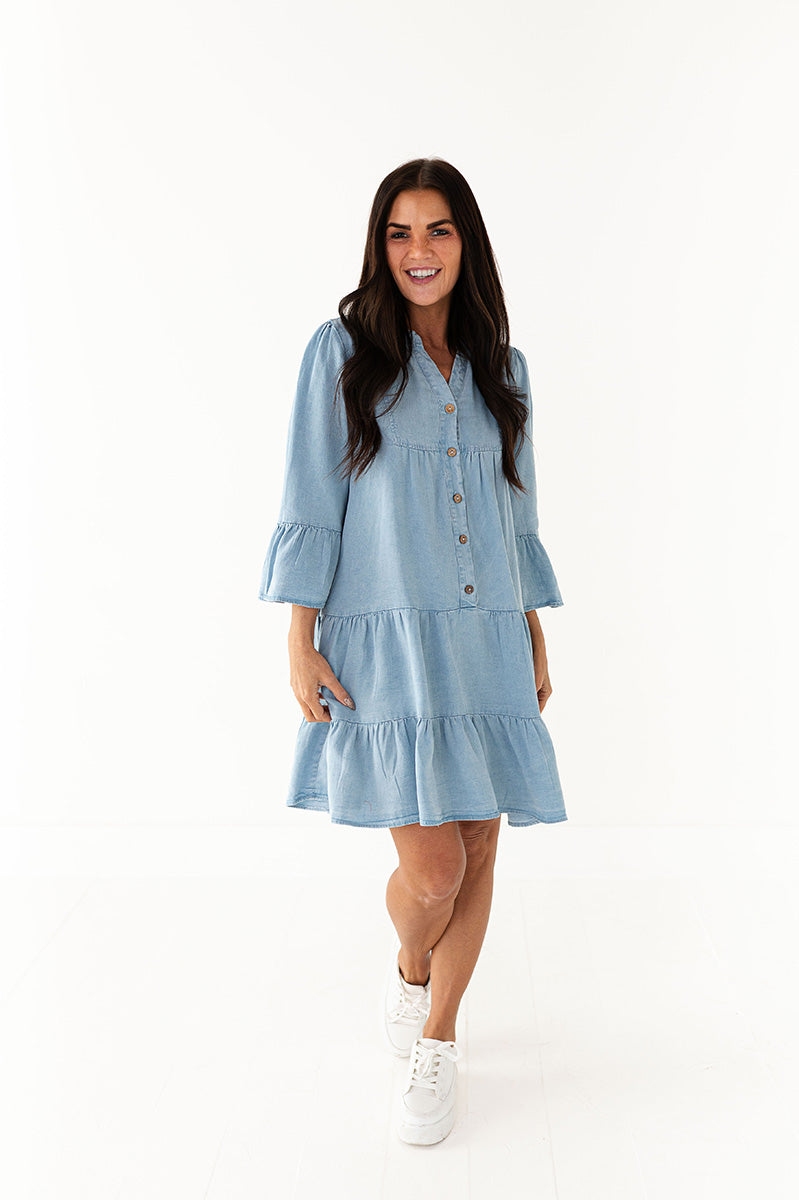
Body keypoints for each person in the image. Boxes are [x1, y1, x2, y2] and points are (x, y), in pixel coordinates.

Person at [258, 157, 567, 1146]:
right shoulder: (341, 353)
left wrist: (531, 624)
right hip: (383, 639)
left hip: (486, 632)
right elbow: (311, 495)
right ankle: (409, 966)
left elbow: (515, 510)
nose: (418, 251)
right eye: (399, 232)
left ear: (465, 243)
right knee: (433, 870)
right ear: (379, 245)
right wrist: (298, 637)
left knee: (481, 842)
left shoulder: (503, 370)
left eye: (437, 230)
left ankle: (439, 1034)